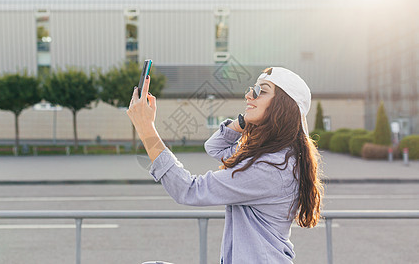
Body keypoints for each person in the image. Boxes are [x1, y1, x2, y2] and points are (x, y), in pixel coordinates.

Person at [127, 67, 324, 264]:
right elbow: (215, 147)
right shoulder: (276, 155)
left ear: (283, 107)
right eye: (252, 89)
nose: (249, 95)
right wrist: (244, 121)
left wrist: (146, 129)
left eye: (261, 91)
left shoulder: (271, 167)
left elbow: (189, 190)